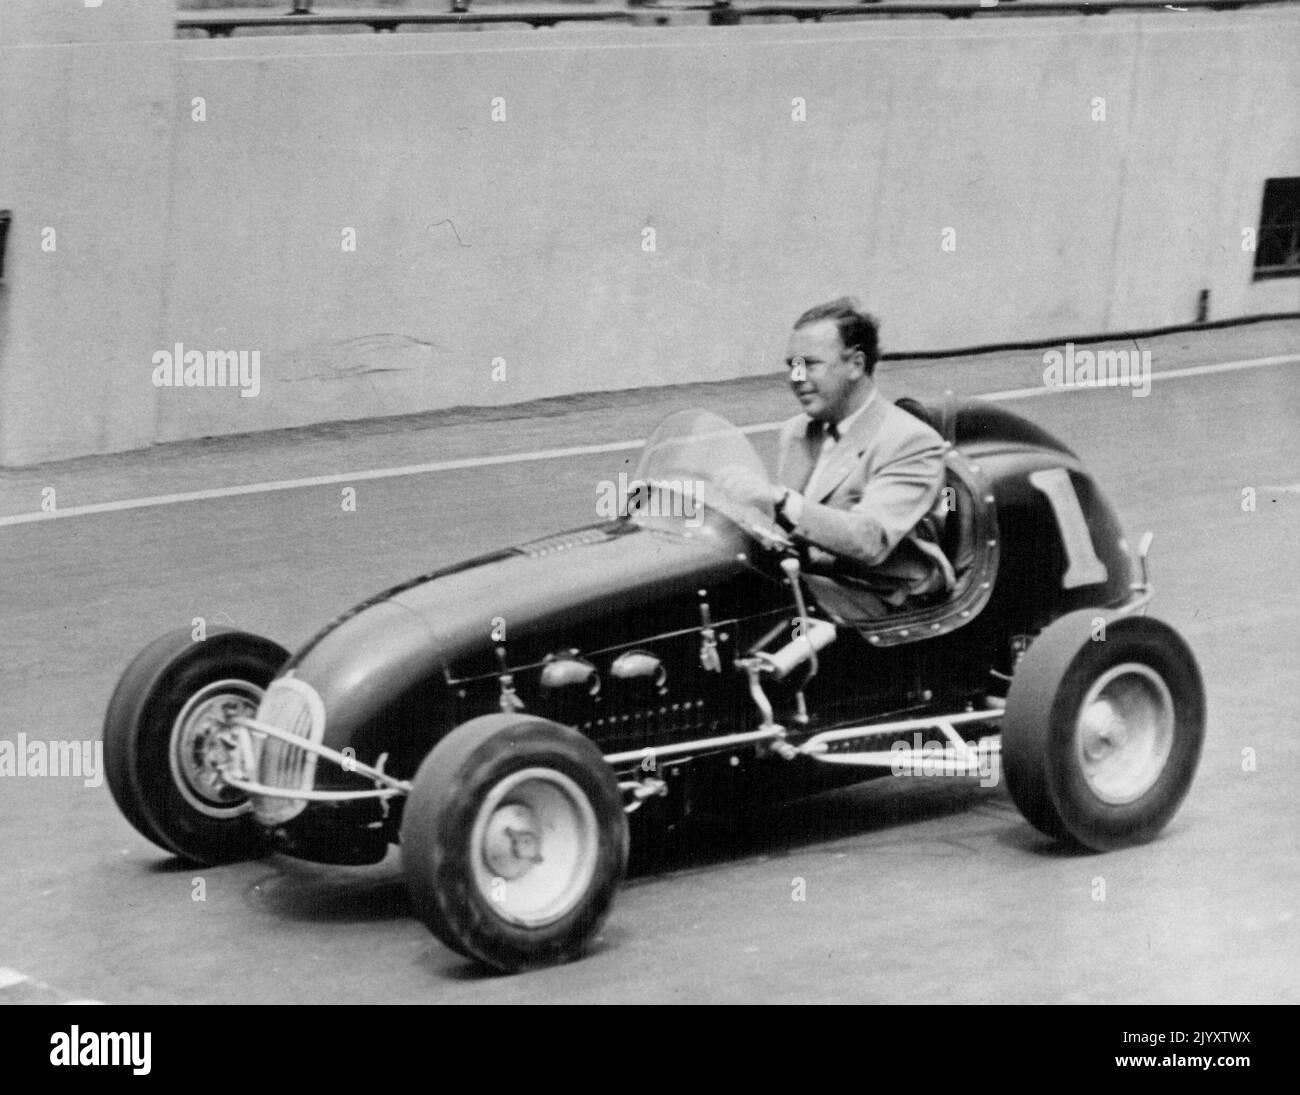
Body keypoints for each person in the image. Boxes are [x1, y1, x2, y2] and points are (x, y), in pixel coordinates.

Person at [717, 297, 954, 618]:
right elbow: (788, 532)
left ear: (856, 364)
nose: (796, 378)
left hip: (885, 598)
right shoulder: (796, 431)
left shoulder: (911, 441)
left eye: (810, 364)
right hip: (818, 580)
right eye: (792, 365)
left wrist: (778, 499)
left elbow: (871, 541)